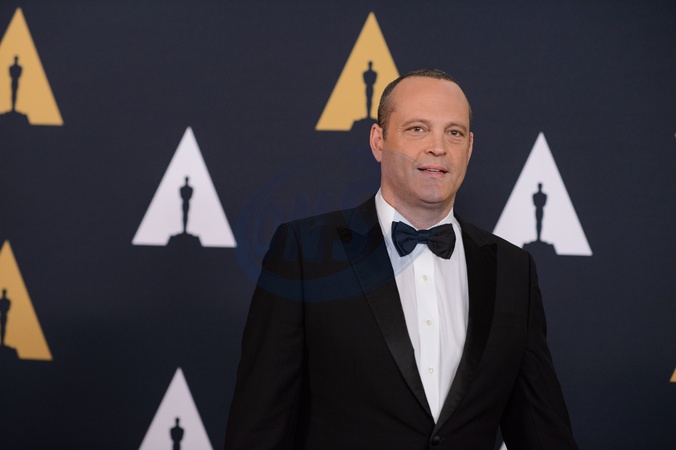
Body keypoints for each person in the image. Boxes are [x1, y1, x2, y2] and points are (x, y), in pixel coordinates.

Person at [225, 69, 578, 449]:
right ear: (379, 141)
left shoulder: (513, 270)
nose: (438, 147)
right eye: (417, 129)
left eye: (454, 132)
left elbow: (542, 430)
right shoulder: (304, 252)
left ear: (470, 147)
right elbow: (260, 425)